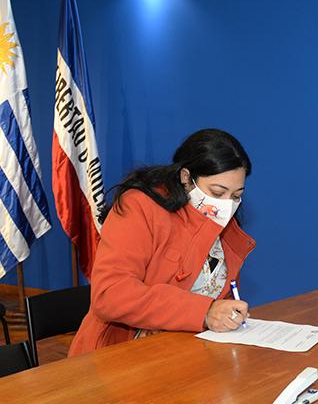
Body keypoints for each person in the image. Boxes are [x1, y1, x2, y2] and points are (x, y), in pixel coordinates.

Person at [69, 129, 256, 356]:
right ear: (186, 178)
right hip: (119, 355)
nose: (227, 205)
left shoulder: (222, 222)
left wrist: (226, 314)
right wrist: (204, 312)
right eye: (217, 192)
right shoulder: (139, 206)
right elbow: (110, 294)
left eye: (236, 196)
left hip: (187, 353)